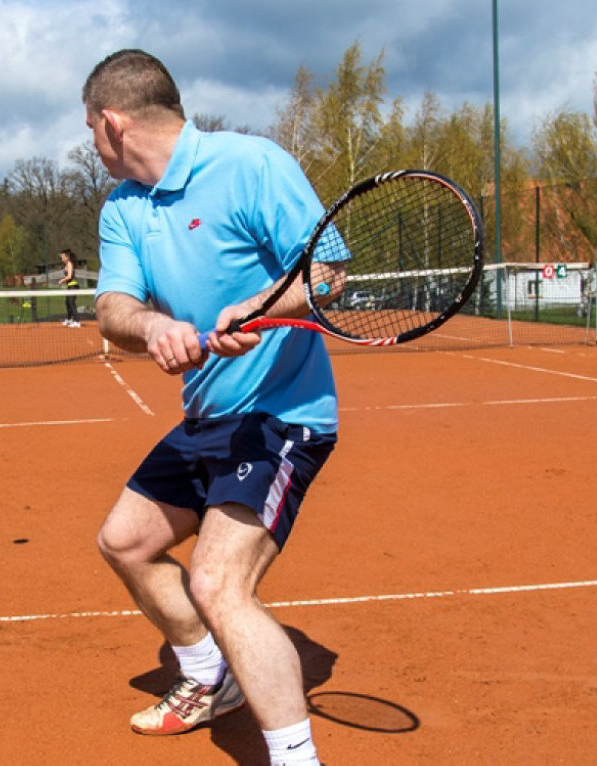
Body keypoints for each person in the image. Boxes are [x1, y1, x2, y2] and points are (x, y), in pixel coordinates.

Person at [85, 49, 342, 766]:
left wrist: (258, 307)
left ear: (113, 122)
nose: (92, 145)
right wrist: (153, 327)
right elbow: (113, 307)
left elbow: (328, 273)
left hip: (283, 415)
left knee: (218, 582)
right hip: (208, 417)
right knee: (125, 542)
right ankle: (207, 676)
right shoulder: (124, 208)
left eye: (90, 129)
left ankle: (297, 760)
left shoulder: (252, 166)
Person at [58, 248, 82, 327]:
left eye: (62, 257)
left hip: (73, 286)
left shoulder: (69, 264)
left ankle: (77, 321)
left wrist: (62, 280)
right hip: (70, 286)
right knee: (67, 303)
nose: (61, 259)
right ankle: (69, 319)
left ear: (67, 257)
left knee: (71, 303)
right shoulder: (66, 265)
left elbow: (69, 276)